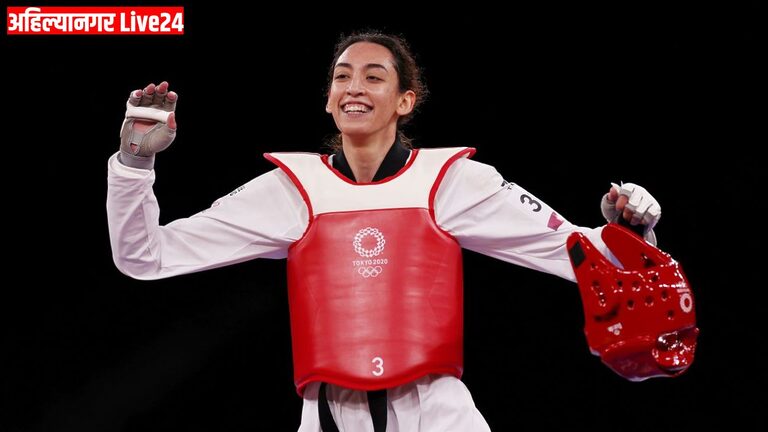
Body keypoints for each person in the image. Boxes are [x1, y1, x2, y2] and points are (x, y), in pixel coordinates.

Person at [107, 31, 664, 432]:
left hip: (436, 414)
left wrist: (628, 229)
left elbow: (587, 255)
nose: (355, 87)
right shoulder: (288, 189)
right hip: (327, 416)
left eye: (374, 77)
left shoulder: (453, 180)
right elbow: (146, 256)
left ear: (404, 101)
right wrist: (134, 162)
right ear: (329, 100)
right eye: (342, 77)